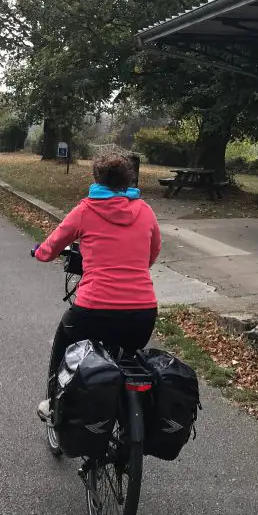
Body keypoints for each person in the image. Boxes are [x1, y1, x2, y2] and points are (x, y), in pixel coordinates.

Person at [31, 152, 161, 420]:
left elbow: (53, 245)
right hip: (142, 312)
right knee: (128, 355)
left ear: (96, 178)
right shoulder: (145, 211)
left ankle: (53, 401)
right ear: (128, 180)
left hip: (94, 310)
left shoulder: (86, 210)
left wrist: (39, 252)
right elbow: (153, 251)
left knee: (64, 337)